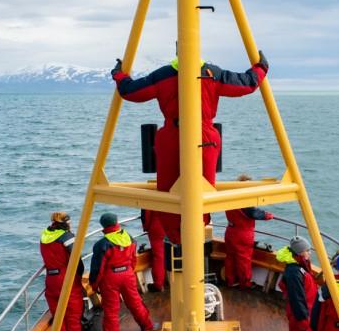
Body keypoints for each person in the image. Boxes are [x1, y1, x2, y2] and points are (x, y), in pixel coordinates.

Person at [111, 52, 269, 241]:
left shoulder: (163, 74)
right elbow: (247, 83)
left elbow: (131, 92)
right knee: (202, 190)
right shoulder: (213, 73)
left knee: (168, 192)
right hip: (205, 135)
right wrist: (261, 68)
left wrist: (119, 74)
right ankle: (195, 232)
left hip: (171, 136)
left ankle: (176, 237)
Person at [89, 212, 157, 331]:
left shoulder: (101, 245)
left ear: (103, 226)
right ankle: (147, 326)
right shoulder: (129, 238)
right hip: (127, 274)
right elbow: (133, 260)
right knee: (135, 302)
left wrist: (94, 285)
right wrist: (129, 272)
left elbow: (98, 268)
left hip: (110, 278)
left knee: (111, 311)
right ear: (116, 222)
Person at [39, 211, 85, 331]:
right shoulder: (67, 237)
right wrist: (79, 275)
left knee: (58, 314)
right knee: (73, 312)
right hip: (66, 279)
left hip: (50, 279)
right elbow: (76, 260)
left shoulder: (44, 236)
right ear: (66, 222)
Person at [224, 174, 273, 289]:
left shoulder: (229, 198)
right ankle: (245, 283)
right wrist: (268, 215)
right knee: (244, 259)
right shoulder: (244, 201)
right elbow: (254, 213)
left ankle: (230, 280)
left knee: (230, 257)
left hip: (230, 231)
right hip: (243, 234)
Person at [276, 235, 318, 331]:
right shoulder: (295, 273)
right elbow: (297, 299)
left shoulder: (299, 265)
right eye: (307, 251)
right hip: (301, 315)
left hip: (307, 309)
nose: (310, 253)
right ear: (300, 253)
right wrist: (303, 322)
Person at [140, 208, 167, 292]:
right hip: (176, 226)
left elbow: (146, 213)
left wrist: (146, 227)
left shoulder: (153, 195)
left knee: (159, 256)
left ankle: (158, 284)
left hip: (157, 227)